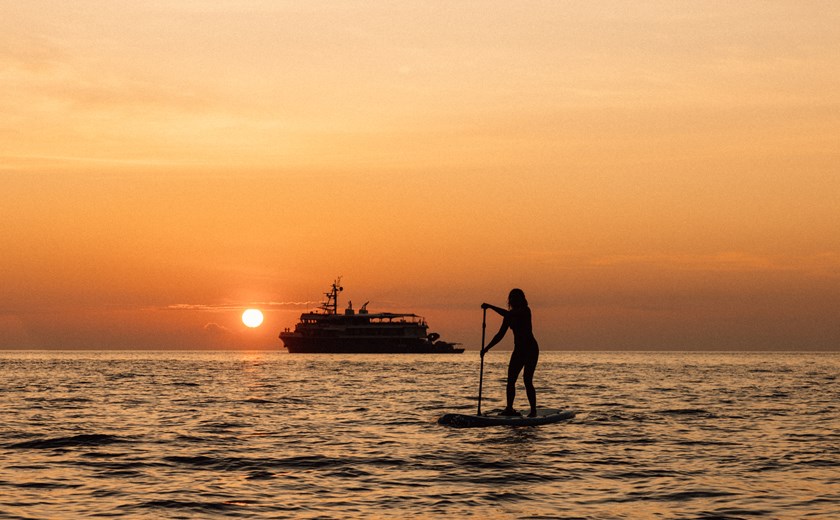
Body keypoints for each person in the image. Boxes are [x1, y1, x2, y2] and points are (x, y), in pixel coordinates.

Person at [481, 289, 540, 417]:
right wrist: (486, 348)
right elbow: (500, 335)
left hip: (530, 349)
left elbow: (508, 314)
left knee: (527, 380)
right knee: (511, 380)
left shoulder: (525, 311)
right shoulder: (509, 316)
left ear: (521, 299)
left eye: (516, 298)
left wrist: (490, 307)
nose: (513, 300)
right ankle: (509, 408)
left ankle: (533, 410)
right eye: (511, 298)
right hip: (518, 350)